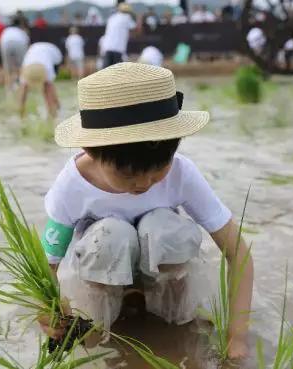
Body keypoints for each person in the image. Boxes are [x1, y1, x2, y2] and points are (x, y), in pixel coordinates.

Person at [37, 62, 253, 359]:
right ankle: (105, 322)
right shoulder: (73, 185)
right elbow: (44, 267)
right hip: (104, 278)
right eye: (129, 174)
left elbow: (238, 253)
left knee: (163, 226)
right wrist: (50, 313)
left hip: (164, 279)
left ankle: (168, 317)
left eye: (158, 170)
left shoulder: (181, 173)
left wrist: (237, 337)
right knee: (110, 235)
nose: (144, 183)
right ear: (91, 150)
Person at [19, 42, 62, 119]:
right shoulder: (26, 68)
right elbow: (23, 90)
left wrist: (57, 103)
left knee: (47, 88)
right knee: (47, 88)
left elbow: (50, 87)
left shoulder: (48, 66)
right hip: (37, 57)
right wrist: (21, 108)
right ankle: (53, 110)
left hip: (52, 55)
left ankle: (53, 111)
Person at [101, 3, 138, 68]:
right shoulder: (127, 17)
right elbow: (135, 28)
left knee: (105, 71)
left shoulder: (112, 18)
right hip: (118, 48)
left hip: (107, 47)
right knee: (117, 72)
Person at [0, 18, 30, 90]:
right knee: (22, 66)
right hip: (19, 43)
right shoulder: (21, 31)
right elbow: (27, 44)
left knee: (7, 67)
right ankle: (22, 85)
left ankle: (9, 86)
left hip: (5, 43)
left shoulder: (6, 30)